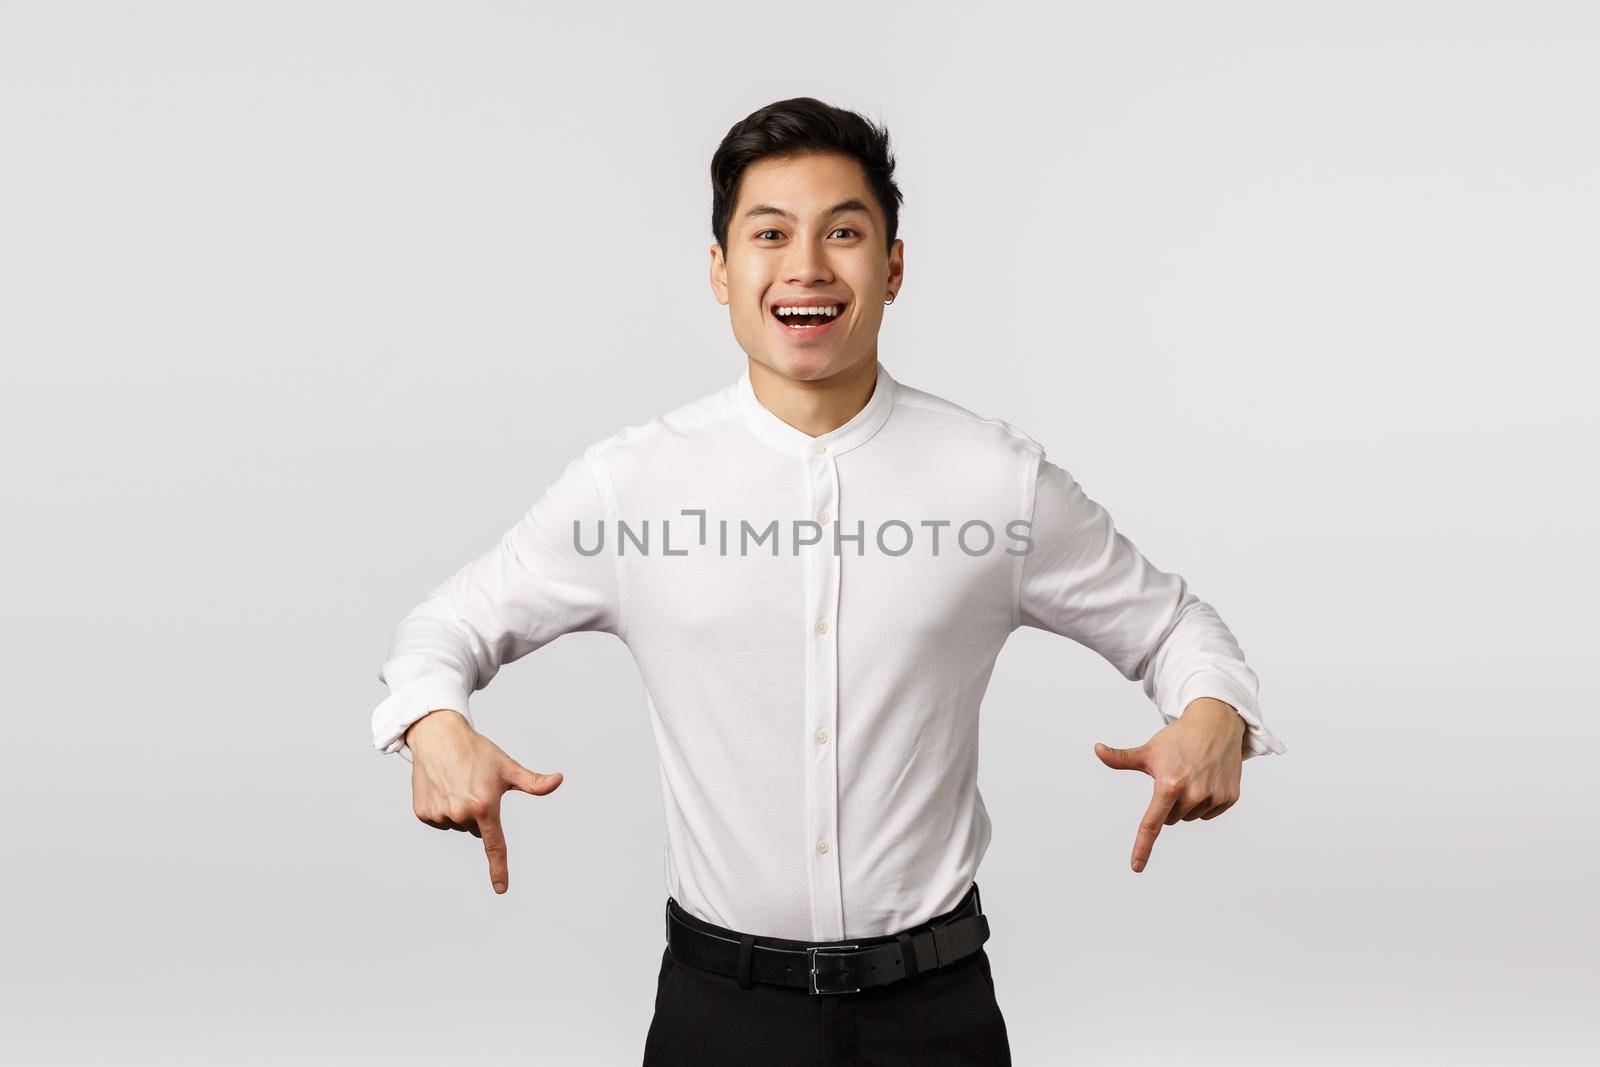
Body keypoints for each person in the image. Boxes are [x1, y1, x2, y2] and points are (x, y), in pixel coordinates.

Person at [371, 96, 1287, 1066]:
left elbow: (1178, 626)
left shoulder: (995, 479)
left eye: (843, 232)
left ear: (892, 265)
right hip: (718, 1015)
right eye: (770, 233)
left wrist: (1213, 711)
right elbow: (443, 627)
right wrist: (432, 721)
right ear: (721, 269)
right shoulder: (631, 484)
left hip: (935, 1015)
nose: (806, 265)